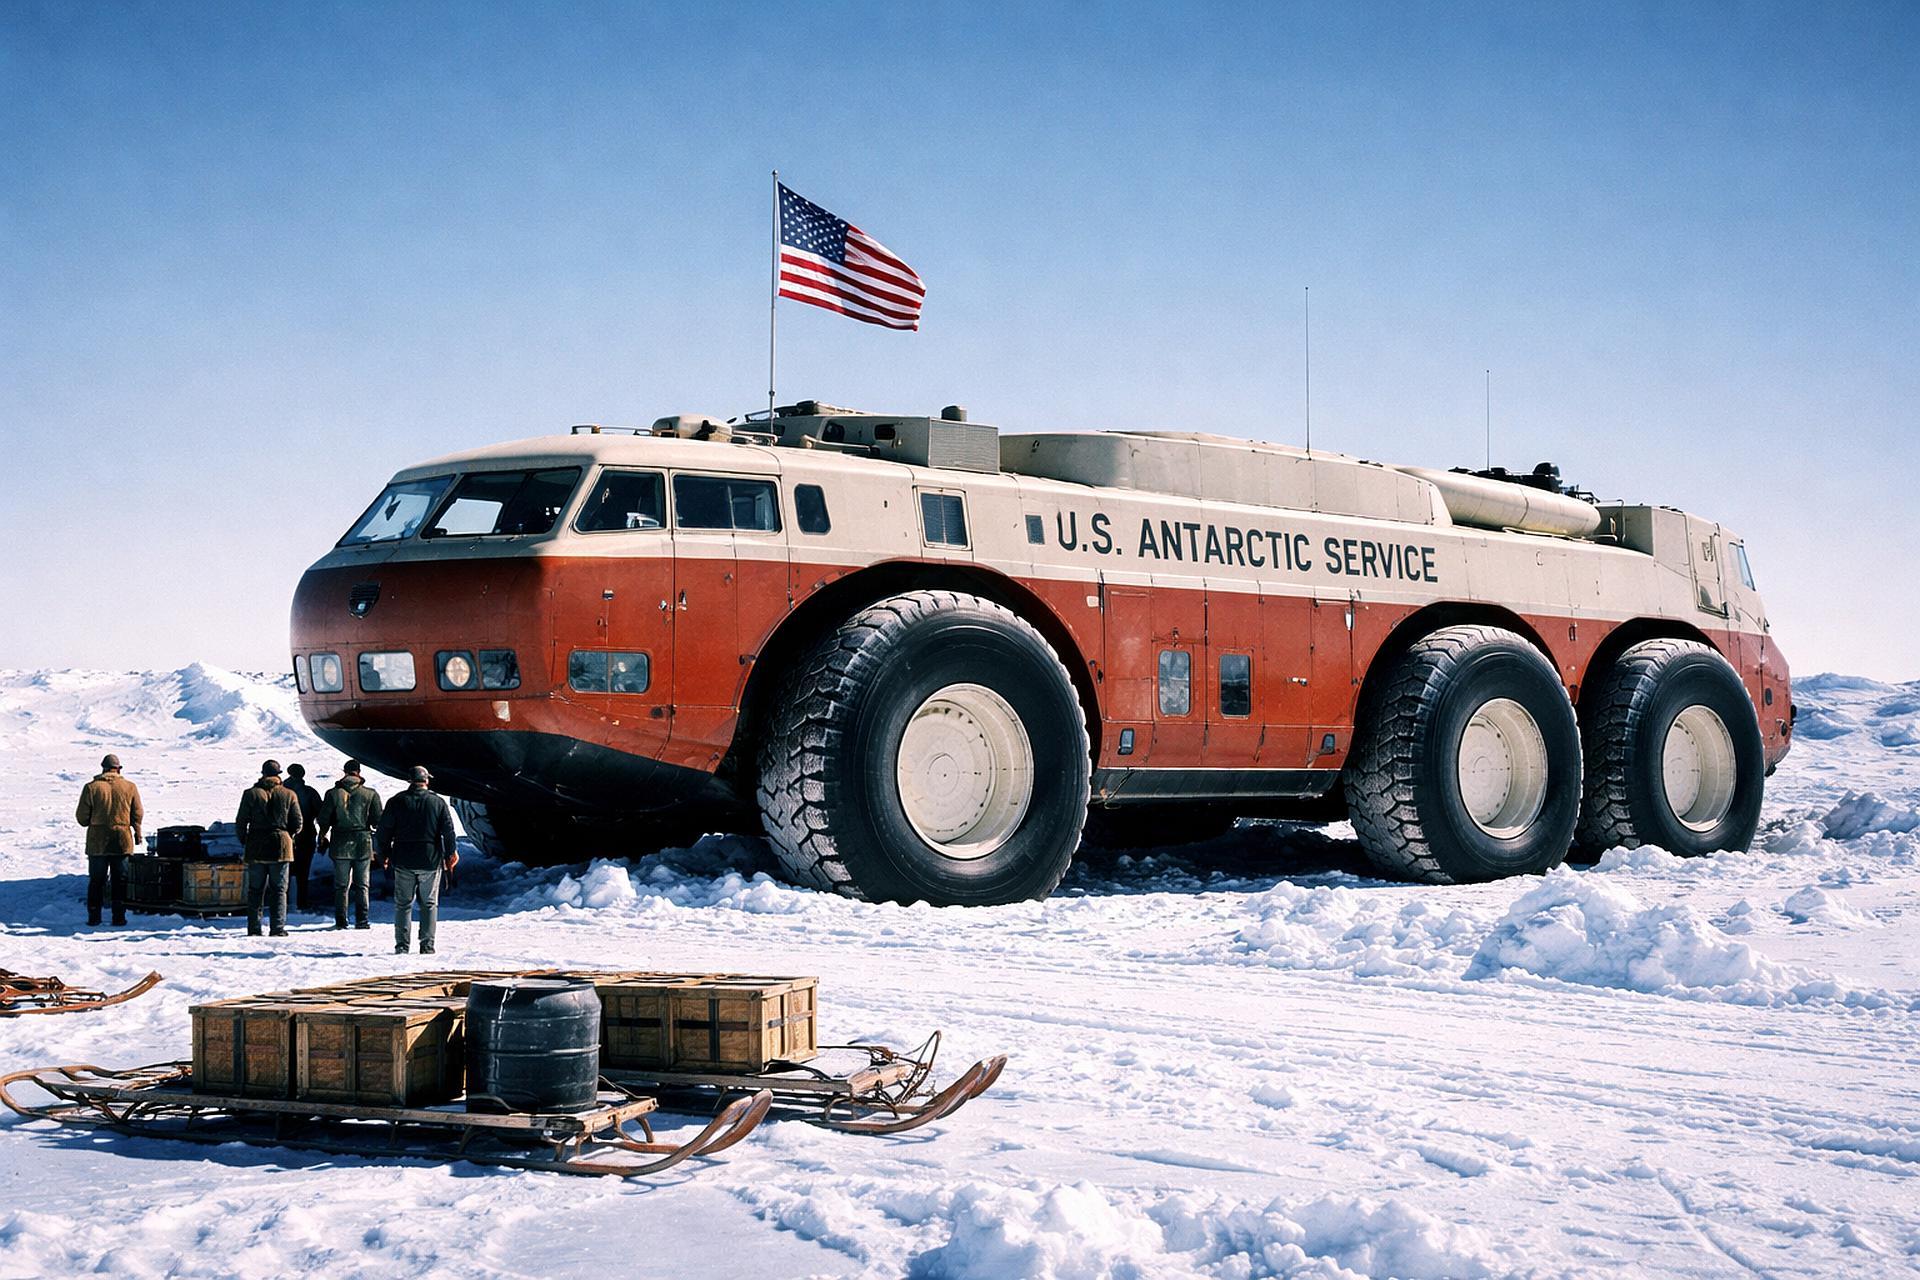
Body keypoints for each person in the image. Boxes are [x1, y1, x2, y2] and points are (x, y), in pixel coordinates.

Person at [378, 765, 457, 955]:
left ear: (409, 780)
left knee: (403, 904)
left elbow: (384, 830)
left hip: (403, 859)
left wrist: (384, 853)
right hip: (430, 859)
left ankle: (402, 946)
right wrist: (450, 853)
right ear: (426, 780)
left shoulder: (396, 801)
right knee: (429, 904)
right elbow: (448, 831)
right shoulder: (437, 802)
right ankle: (427, 945)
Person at [235, 759, 301, 938]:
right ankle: (277, 928)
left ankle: (254, 928)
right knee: (279, 890)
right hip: (281, 847)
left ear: (263, 774)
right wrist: (287, 837)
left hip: (256, 845)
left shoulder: (250, 794)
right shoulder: (289, 794)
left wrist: (245, 841)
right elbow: (297, 823)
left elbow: (241, 822)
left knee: (255, 890)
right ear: (278, 775)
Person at [75, 754, 143, 926]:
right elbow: (137, 813)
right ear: (118, 769)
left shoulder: (91, 787)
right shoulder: (130, 787)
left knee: (97, 881)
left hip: (97, 842)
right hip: (122, 840)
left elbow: (82, 818)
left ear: (103, 768)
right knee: (120, 881)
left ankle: (94, 917)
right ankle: (118, 917)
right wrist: (137, 831)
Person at [316, 758, 383, 930]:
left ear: (344, 772)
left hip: (340, 843)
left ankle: (341, 921)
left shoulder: (332, 794)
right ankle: (362, 920)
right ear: (359, 772)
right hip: (363, 844)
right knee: (362, 885)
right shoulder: (370, 794)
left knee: (341, 886)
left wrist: (322, 837)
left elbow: (324, 820)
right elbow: (377, 821)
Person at [282, 763, 324, 913]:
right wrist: (323, 835)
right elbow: (321, 815)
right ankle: (301, 902)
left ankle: (284, 902)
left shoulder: (281, 791)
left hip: (285, 836)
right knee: (303, 872)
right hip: (306, 836)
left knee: (283, 871)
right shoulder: (310, 792)